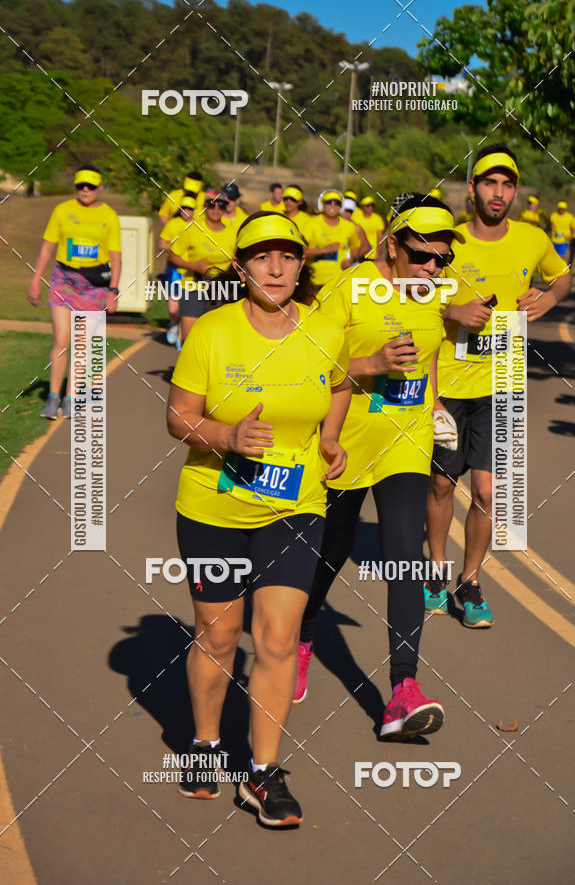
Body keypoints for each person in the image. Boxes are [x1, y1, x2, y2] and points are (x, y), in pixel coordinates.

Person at [167, 211, 351, 826]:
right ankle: (204, 744)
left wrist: (328, 436)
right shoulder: (212, 333)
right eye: (262, 256)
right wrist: (227, 434)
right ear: (241, 266)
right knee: (219, 636)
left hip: (295, 506)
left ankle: (264, 773)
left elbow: (342, 382)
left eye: (288, 256)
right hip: (213, 509)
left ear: (302, 266)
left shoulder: (326, 328)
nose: (276, 267)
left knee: (276, 636)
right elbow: (178, 417)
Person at [295, 194, 460, 739]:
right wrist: (370, 364)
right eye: (422, 255)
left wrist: (434, 403)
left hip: (405, 443)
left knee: (404, 554)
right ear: (393, 245)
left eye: (443, 258)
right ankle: (304, 629)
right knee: (333, 550)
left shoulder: (432, 292)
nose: (433, 267)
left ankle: (403, 690)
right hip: (344, 442)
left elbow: (431, 351)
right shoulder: (348, 287)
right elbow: (309, 359)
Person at [425, 144, 571, 626]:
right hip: (447, 378)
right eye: (490, 182)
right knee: (444, 484)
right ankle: (434, 570)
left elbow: (562, 276)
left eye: (508, 184)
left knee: (489, 493)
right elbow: (417, 292)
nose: (499, 193)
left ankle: (469, 583)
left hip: (503, 379)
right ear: (472, 188)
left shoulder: (532, 238)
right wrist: (451, 311)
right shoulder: (450, 241)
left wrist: (548, 300)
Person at [27, 165, 121, 419]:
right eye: (81, 185)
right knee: (61, 340)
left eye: (91, 186)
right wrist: (36, 279)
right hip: (64, 281)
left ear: (100, 187)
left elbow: (116, 257)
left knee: (81, 345)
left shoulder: (109, 216)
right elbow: (47, 248)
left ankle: (70, 398)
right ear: (76, 186)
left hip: (93, 286)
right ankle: (53, 397)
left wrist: (113, 290)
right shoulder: (63, 210)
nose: (86, 190)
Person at [168, 189, 237, 342]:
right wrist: (195, 267)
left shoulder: (233, 234)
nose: (216, 208)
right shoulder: (192, 229)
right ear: (205, 206)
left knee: (216, 340)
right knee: (189, 339)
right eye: (212, 204)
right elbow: (172, 256)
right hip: (193, 288)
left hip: (221, 290)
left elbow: (240, 260)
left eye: (221, 205)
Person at [304, 189, 368, 287]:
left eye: (337, 203)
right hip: (314, 280)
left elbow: (356, 247)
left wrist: (351, 259)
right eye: (329, 202)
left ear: (341, 207)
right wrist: (325, 250)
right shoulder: (311, 223)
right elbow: (302, 251)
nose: (333, 206)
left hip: (339, 280)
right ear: (322, 205)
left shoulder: (349, 226)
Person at [159, 194, 197, 347]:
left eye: (189, 208)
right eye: (183, 208)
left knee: (189, 305)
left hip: (192, 271)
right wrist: (175, 249)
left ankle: (187, 338)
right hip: (175, 269)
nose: (186, 211)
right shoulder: (173, 224)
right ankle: (174, 324)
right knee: (174, 307)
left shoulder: (199, 225)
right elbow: (161, 244)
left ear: (195, 210)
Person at [354, 195, 386, 260]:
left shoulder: (377, 219)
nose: (370, 207)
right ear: (362, 207)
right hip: (359, 253)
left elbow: (380, 238)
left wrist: (378, 253)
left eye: (372, 205)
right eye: (368, 205)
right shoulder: (356, 218)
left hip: (372, 254)